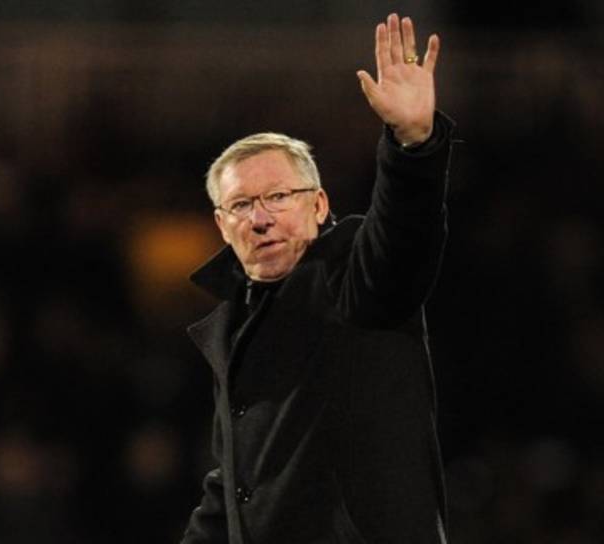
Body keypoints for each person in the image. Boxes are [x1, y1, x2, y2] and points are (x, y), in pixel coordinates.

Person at [183, 13, 455, 544]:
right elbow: (235, 487)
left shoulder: (350, 272)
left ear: (319, 205)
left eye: (279, 196)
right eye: (241, 204)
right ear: (221, 224)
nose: (261, 218)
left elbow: (402, 235)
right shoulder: (236, 321)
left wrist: (413, 144)